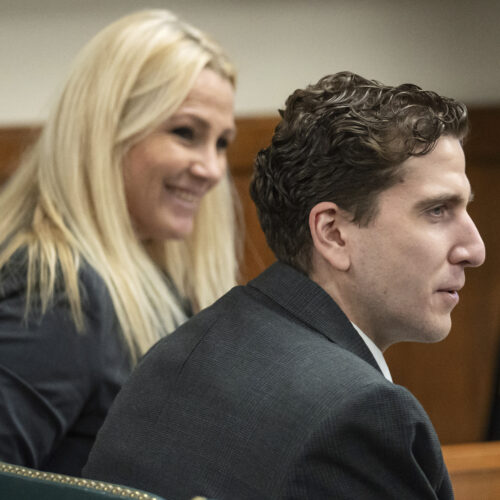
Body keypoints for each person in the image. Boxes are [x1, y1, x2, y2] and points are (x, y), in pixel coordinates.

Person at [83, 71, 485, 499]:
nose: (474, 249)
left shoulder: (182, 350)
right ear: (332, 233)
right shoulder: (360, 415)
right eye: (438, 210)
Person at [0, 9, 239, 476]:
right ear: (104, 132)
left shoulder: (145, 274)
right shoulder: (60, 293)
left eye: (223, 143)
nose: (212, 169)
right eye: (185, 133)